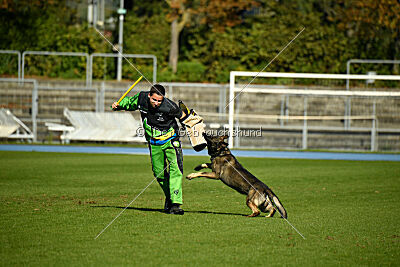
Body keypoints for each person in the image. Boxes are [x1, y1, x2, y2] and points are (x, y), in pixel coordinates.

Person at [112, 84, 186, 215]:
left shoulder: (170, 106)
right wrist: (119, 105)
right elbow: (129, 103)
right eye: (154, 100)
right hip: (153, 143)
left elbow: (185, 117)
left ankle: (176, 204)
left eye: (159, 100)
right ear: (149, 96)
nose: (157, 103)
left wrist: (191, 124)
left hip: (171, 140)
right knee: (159, 173)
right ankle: (169, 198)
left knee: (176, 170)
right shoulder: (141, 98)